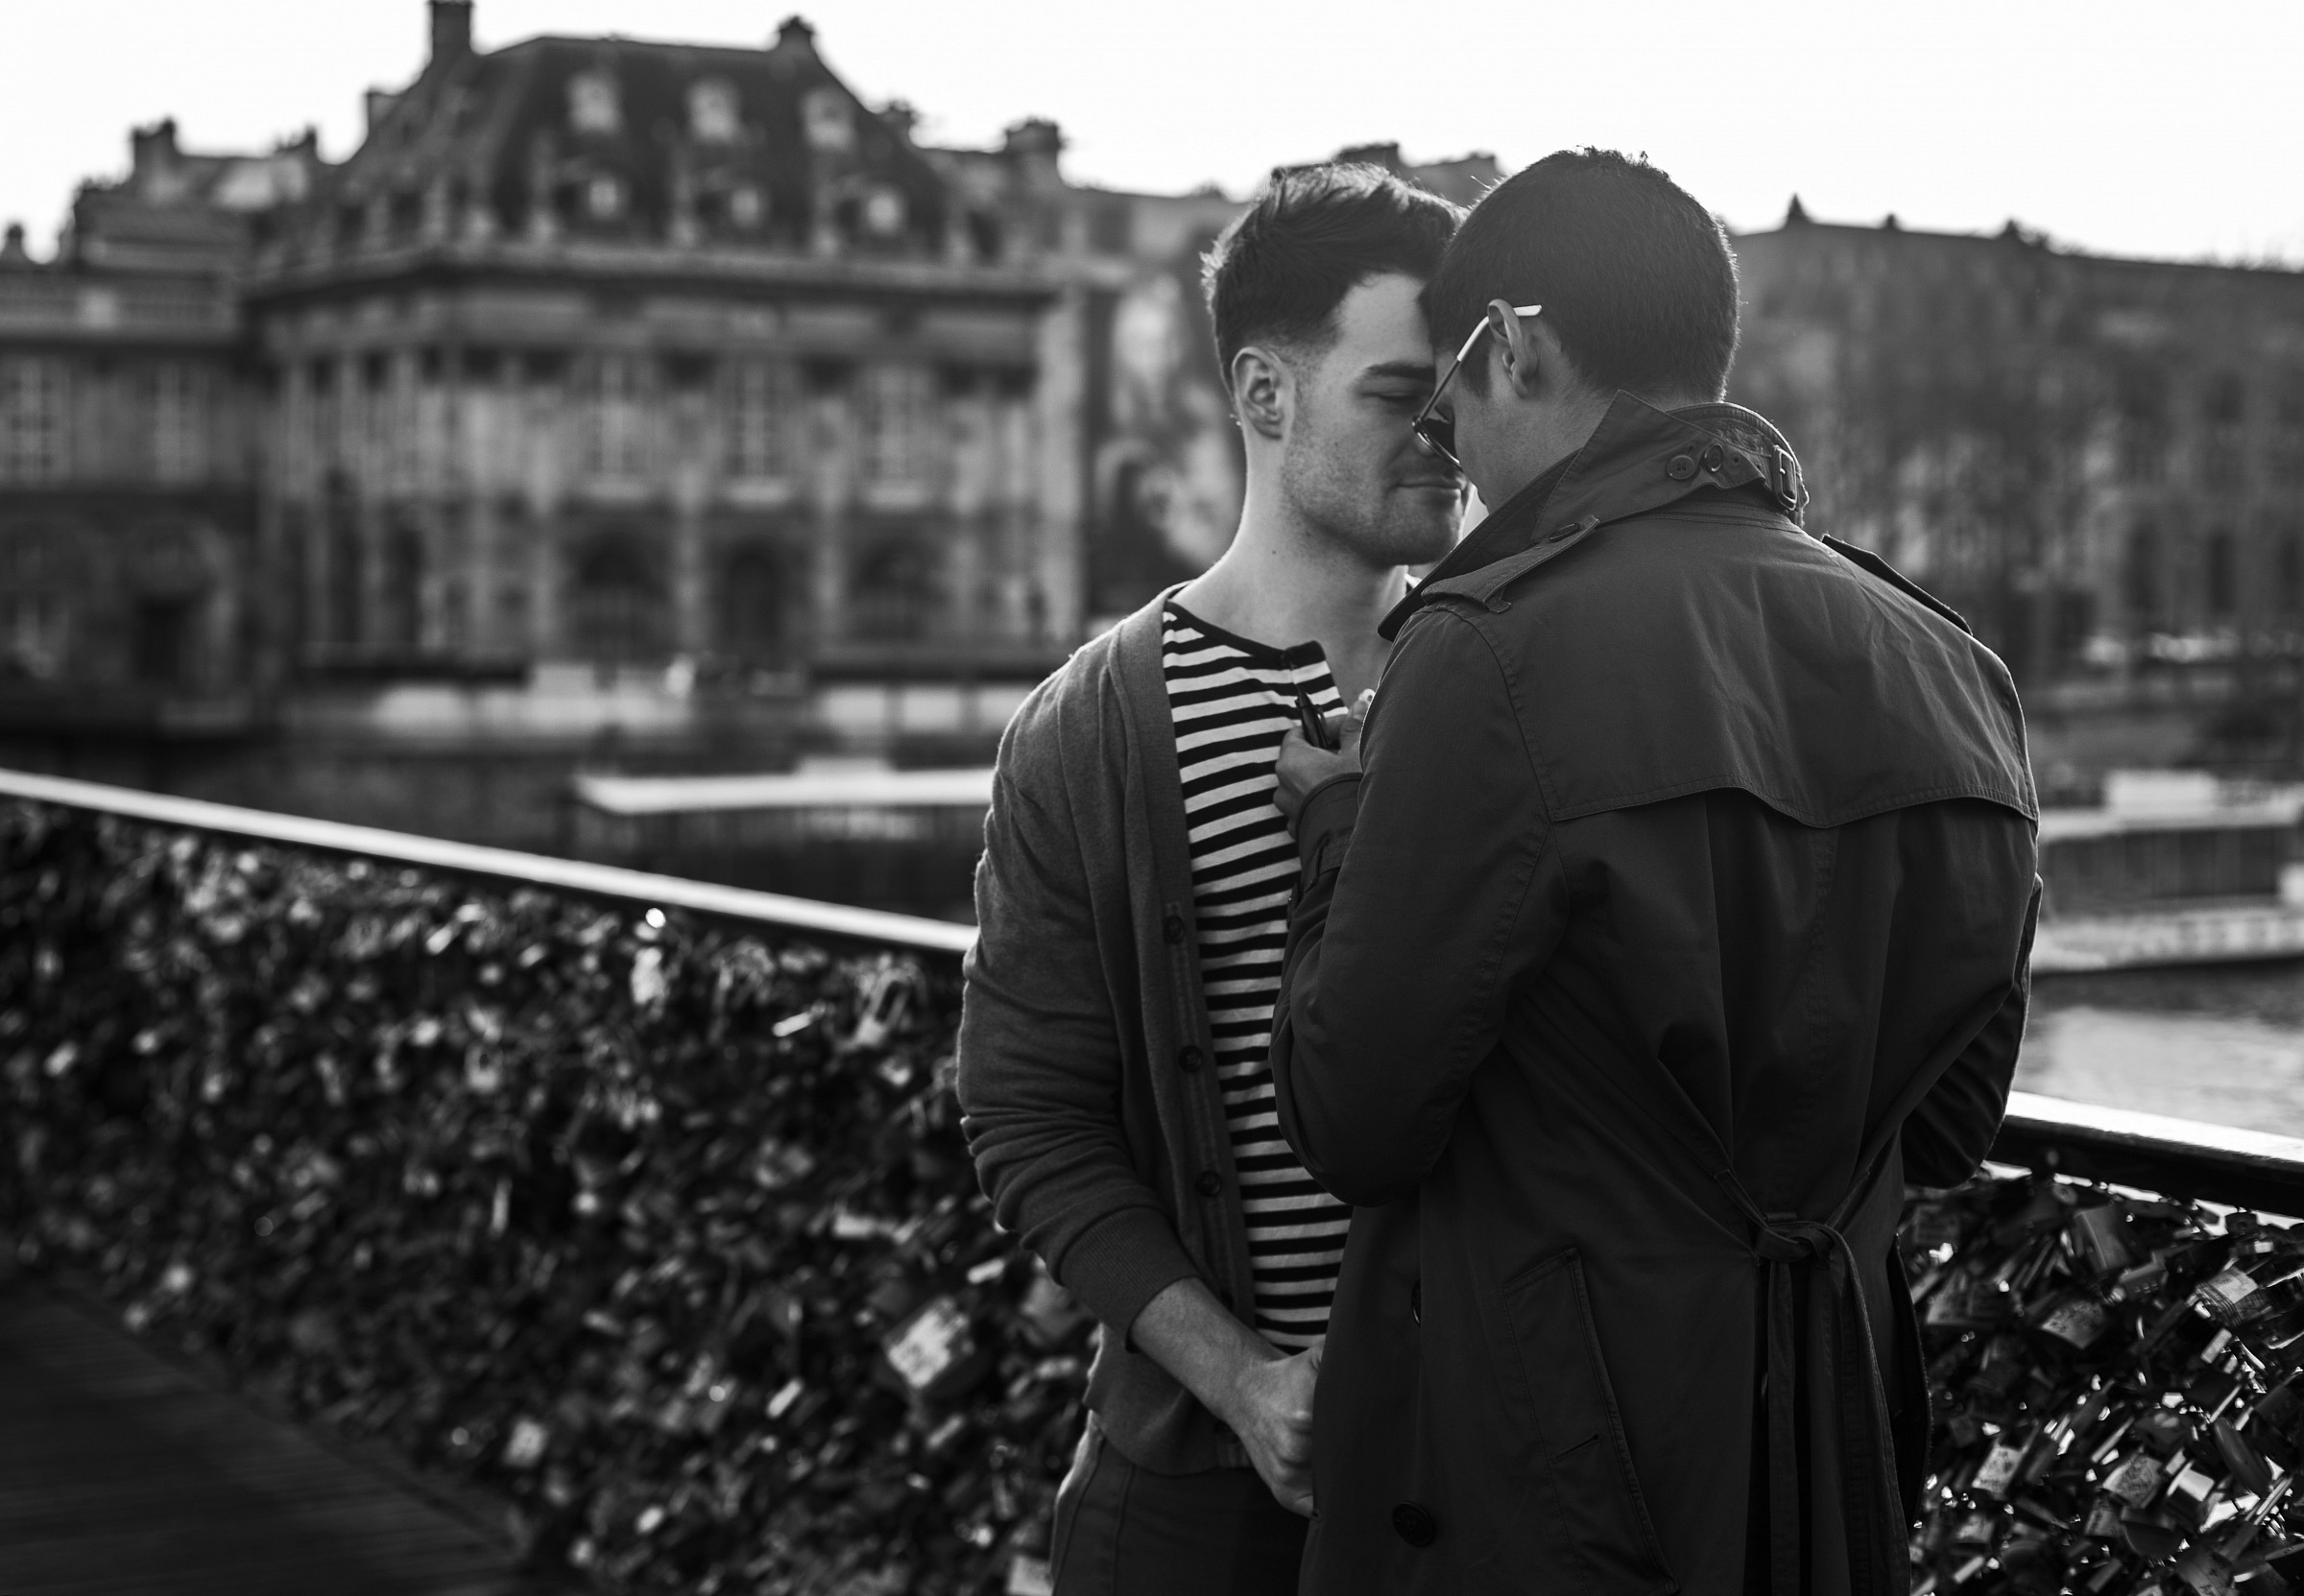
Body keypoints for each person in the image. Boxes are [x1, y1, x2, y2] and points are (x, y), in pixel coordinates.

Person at [1268, 149, 2041, 1596]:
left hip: (1547, 1474)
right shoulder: (1954, 668)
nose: (1458, 460)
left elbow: (1351, 1118)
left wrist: (1341, 829)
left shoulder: (1491, 648)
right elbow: (1948, 1127)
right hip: (1828, 1456)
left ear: (1518, 343)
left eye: (1454, 405)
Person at [955, 162, 1465, 1593]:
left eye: (1461, 394)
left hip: (1494, 1481)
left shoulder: (1510, 683)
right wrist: (1243, 1383)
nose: (1445, 435)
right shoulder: (1091, 728)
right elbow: (1025, 1115)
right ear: (1262, 395)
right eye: (1397, 391)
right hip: (1201, 1494)